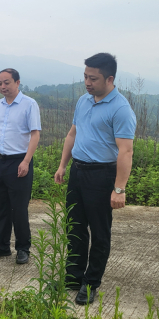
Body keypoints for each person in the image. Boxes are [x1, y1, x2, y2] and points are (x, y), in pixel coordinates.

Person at [54, 53, 136, 305]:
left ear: (109, 79)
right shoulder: (83, 101)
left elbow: (126, 151)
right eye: (85, 77)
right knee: (75, 226)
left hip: (101, 175)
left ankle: (90, 283)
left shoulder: (121, 109)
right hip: (78, 172)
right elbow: (73, 134)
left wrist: (119, 189)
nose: (87, 83)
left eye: (93, 78)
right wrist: (63, 165)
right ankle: (74, 276)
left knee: (100, 232)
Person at [0, 68, 41, 265]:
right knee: (0, 206)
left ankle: (23, 248)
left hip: (19, 161)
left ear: (17, 82)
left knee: (19, 208)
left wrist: (26, 161)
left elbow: (35, 134)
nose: (3, 86)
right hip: (2, 161)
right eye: (0, 83)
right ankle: (1, 246)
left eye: (6, 82)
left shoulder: (29, 104)